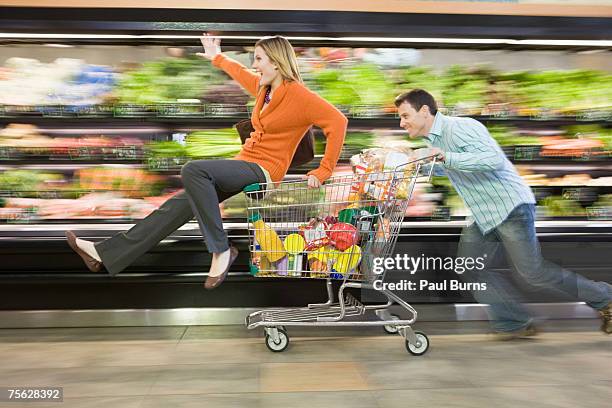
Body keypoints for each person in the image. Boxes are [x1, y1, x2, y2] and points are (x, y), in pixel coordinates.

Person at [66, 33, 348, 290]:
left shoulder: (299, 94)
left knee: (194, 170)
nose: (254, 64)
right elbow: (242, 75)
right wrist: (217, 57)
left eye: (259, 59)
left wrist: (324, 170)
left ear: (276, 62)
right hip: (245, 162)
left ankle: (221, 249)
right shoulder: (265, 90)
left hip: (265, 170)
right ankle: (104, 253)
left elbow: (338, 121)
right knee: (176, 206)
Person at [395, 88, 611, 337]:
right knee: (469, 268)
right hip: (483, 214)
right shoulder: (432, 140)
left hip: (510, 207)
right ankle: (513, 322)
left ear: (424, 111)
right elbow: (455, 168)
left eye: (405, 115)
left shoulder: (461, 127)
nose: (402, 123)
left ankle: (605, 298)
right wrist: (415, 164)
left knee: (533, 273)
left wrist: (446, 156)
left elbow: (493, 160)